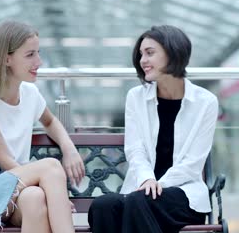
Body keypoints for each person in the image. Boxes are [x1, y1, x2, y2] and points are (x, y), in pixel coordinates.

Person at [0, 20, 85, 233]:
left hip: (15, 184)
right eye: (30, 55)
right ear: (6, 59)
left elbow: (50, 121)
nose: (39, 61)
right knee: (50, 166)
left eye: (38, 53)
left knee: (35, 198)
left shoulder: (30, 93)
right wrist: (56, 196)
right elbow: (4, 159)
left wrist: (69, 148)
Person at [88, 25, 218, 233]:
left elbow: (192, 164)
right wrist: (148, 180)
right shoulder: (135, 97)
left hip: (183, 195)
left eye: (150, 53)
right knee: (103, 206)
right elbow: (135, 149)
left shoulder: (205, 102)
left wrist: (159, 185)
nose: (142, 61)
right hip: (140, 191)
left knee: (140, 201)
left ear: (173, 52)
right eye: (141, 54)